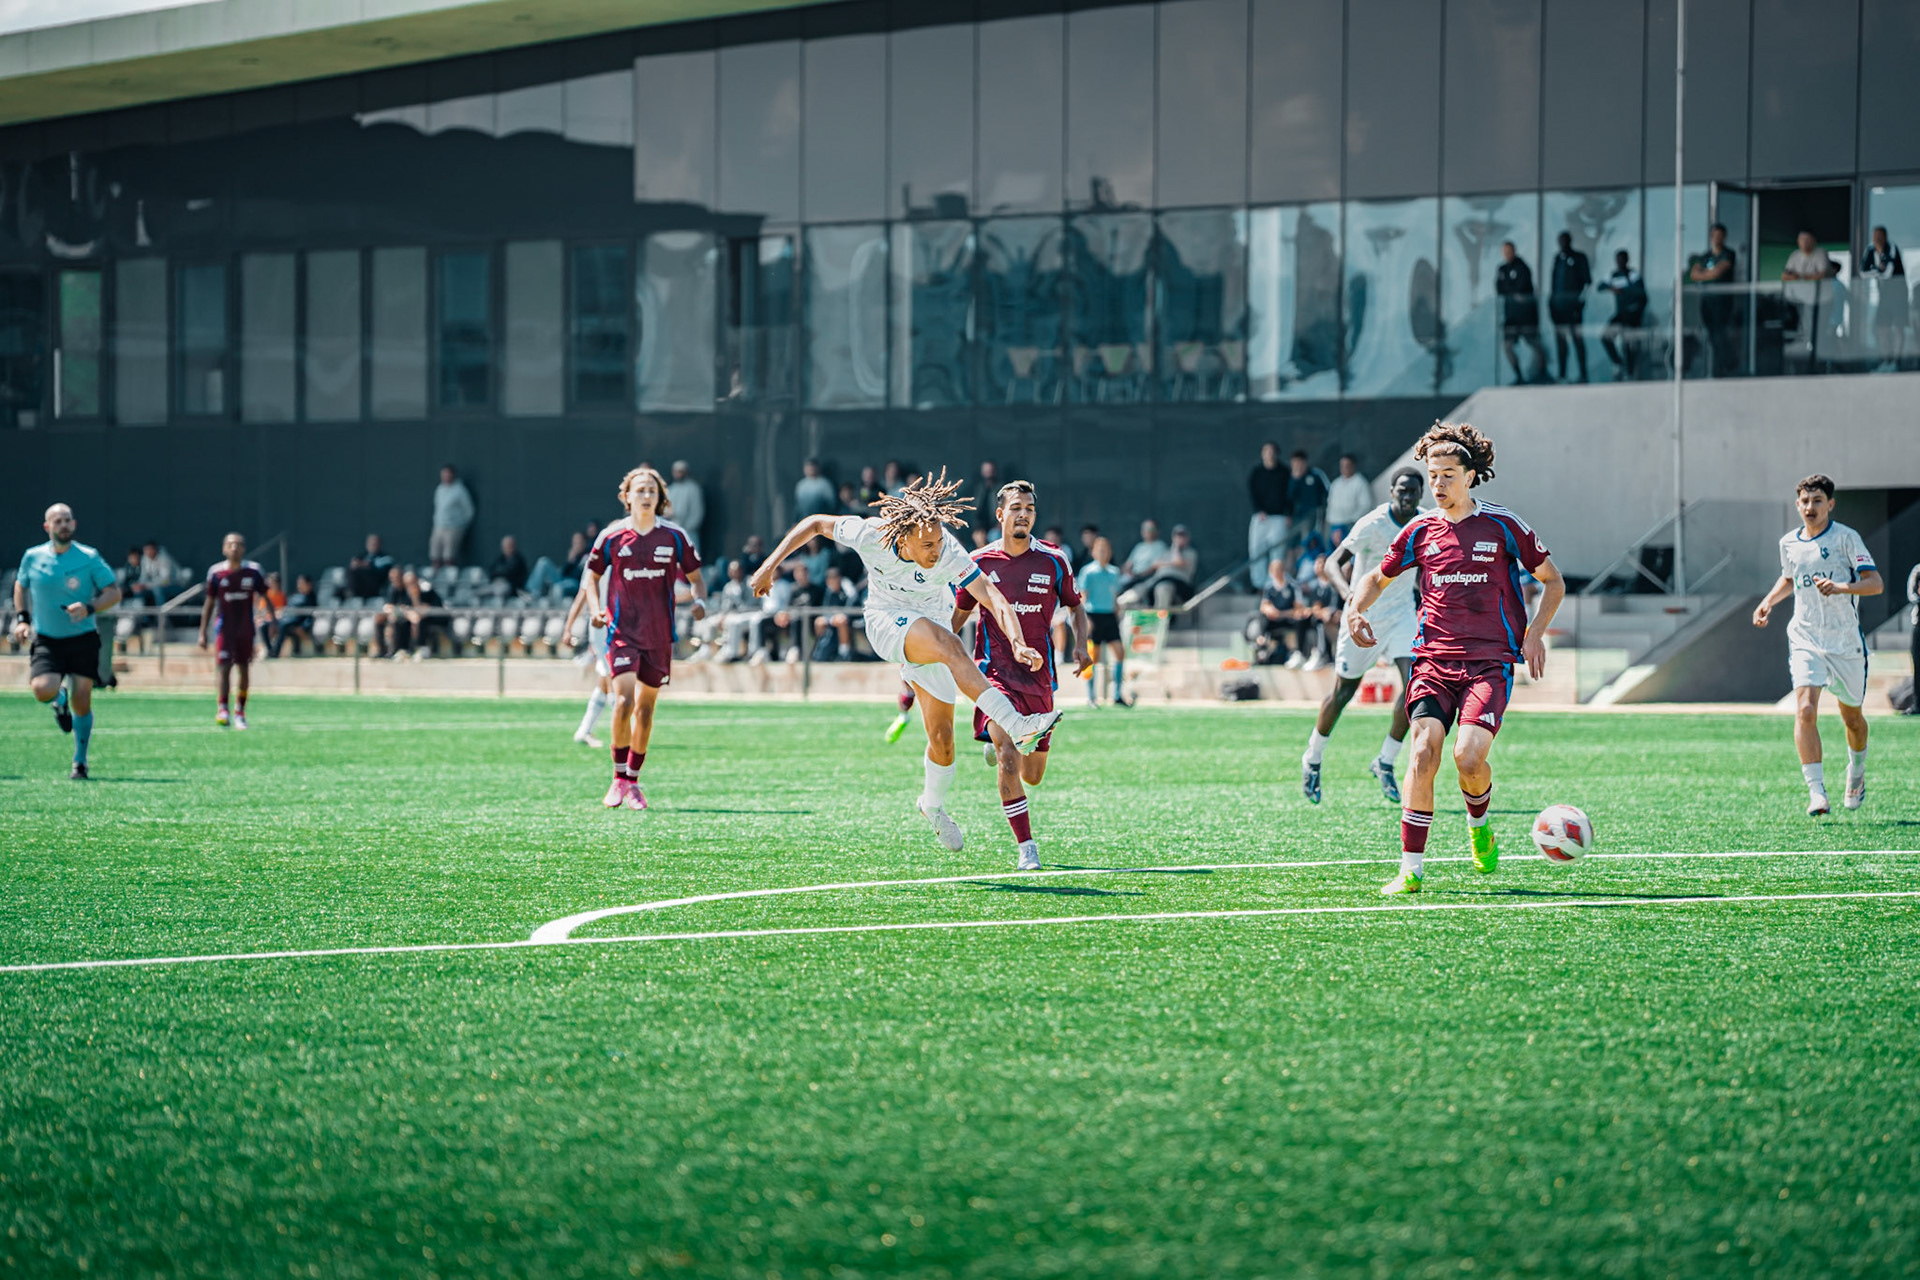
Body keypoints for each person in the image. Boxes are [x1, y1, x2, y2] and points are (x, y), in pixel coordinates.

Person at [753, 470, 1065, 853]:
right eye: (928, 545)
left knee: (943, 741)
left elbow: (992, 596)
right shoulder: (872, 534)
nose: (936, 551)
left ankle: (931, 807)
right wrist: (770, 565)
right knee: (952, 647)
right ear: (903, 538)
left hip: (930, 629)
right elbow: (816, 523)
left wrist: (1017, 642)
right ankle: (1017, 725)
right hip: (886, 621)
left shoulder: (948, 549)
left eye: (938, 541)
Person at [1344, 421, 1565, 896]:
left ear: (1469, 476)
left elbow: (1553, 580)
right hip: (1433, 662)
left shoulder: (1505, 525)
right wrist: (1354, 610)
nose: (1438, 485)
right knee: (1423, 753)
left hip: (1488, 663)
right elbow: (1376, 578)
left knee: (1468, 757)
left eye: (1447, 475)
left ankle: (1479, 822)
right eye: (1433, 476)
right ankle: (1410, 870)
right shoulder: (1419, 530)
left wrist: (1535, 633)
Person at [952, 481, 1089, 870]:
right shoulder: (978, 562)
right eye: (1015, 507)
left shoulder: (1054, 561)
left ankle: (1008, 744)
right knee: (1008, 756)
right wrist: (938, 651)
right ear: (1000, 515)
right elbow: (959, 614)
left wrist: (1081, 646)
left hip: (1039, 680)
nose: (1023, 514)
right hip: (992, 674)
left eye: (1029, 508)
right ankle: (1026, 847)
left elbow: (1075, 607)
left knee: (1033, 775)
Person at [1751, 474, 1882, 815]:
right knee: (1806, 709)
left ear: (1830, 504)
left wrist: (1841, 587)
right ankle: (1817, 793)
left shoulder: (1846, 539)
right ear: (1798, 505)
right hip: (1806, 637)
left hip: (1845, 642)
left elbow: (1875, 583)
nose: (1810, 507)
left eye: (1818, 501)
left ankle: (1856, 771)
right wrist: (1769, 600)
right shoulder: (1789, 544)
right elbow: (1790, 578)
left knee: (1852, 718)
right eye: (1805, 502)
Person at [585, 466, 707, 810]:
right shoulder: (610, 537)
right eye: (639, 489)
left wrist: (698, 601)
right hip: (622, 633)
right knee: (622, 701)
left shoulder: (675, 537)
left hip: (658, 635)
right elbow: (590, 577)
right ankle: (617, 776)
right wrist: (595, 609)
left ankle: (634, 782)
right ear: (626, 497)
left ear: (660, 497)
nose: (646, 495)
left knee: (646, 709)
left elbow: (697, 578)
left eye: (652, 490)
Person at [1301, 467, 1425, 805]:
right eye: (1402, 490)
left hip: (1401, 615)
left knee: (1416, 687)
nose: (1407, 496)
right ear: (1391, 491)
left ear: (1420, 494)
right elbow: (1332, 562)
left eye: (1414, 491)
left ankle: (1385, 761)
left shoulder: (1425, 523)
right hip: (1364, 615)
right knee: (1343, 694)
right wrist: (1350, 598)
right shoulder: (1372, 524)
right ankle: (1312, 758)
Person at [12, 504, 120, 779]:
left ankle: (80, 761)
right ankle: (58, 699)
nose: (63, 524)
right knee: (41, 690)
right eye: (57, 521)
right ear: (47, 527)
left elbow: (113, 592)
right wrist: (23, 619)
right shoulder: (32, 557)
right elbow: (20, 585)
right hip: (47, 638)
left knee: (82, 700)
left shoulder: (89, 557)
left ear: (74, 525)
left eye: (67, 520)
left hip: (82, 638)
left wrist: (90, 607)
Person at [197, 533, 274, 727]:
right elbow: (209, 602)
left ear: (244, 549)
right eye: (230, 544)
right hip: (224, 628)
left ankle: (240, 711)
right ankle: (223, 709)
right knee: (224, 668)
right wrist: (202, 631)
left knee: (244, 668)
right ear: (224, 549)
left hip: (245, 628)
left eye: (238, 544)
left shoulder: (254, 571)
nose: (234, 548)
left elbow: (265, 596)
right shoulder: (215, 573)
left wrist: (272, 620)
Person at [1078, 536, 1128, 707]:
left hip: (1109, 616)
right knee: (1094, 657)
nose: (1102, 553)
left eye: (1105, 550)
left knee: (1120, 652)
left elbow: (1115, 596)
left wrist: (1117, 612)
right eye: (1099, 550)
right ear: (1093, 552)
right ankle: (1091, 696)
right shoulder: (1088, 571)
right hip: (1094, 616)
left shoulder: (1114, 572)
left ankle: (1117, 694)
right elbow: (1083, 597)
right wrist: (1085, 620)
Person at [1689, 223, 1738, 376]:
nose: (1716, 238)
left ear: (1724, 237)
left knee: (1720, 333)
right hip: (1707, 301)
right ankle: (1722, 364)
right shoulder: (1705, 256)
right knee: (1711, 334)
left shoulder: (1728, 254)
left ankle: (1725, 365)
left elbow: (1719, 272)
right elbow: (1694, 275)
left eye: (1719, 235)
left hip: (1722, 301)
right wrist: (1708, 273)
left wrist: (1705, 274)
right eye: (1714, 235)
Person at [1497, 241, 1547, 383]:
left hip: (1526, 317)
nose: (1507, 254)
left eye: (1509, 251)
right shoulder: (1501, 269)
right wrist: (1512, 292)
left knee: (1534, 343)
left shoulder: (1522, 267)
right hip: (1511, 317)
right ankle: (1518, 375)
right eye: (1504, 251)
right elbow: (1500, 290)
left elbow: (1522, 288)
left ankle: (1542, 371)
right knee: (1507, 346)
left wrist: (1511, 290)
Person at [1859, 226, 1907, 367]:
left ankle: (1897, 361)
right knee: (1882, 328)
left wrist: (1875, 271)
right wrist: (1877, 270)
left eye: (1879, 236)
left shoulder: (1891, 248)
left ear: (1885, 237)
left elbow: (1888, 273)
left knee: (1898, 327)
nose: (1877, 239)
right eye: (1874, 236)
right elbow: (1862, 273)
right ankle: (1885, 360)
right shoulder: (1870, 250)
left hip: (1899, 296)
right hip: (1883, 297)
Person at [1548, 231, 1592, 383]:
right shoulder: (1557, 259)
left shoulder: (1579, 258)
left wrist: (1580, 303)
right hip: (1559, 309)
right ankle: (1562, 374)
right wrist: (1552, 305)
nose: (1562, 244)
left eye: (1564, 240)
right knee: (1561, 342)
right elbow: (1553, 285)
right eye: (1560, 241)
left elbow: (1587, 283)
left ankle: (1583, 374)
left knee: (1577, 341)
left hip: (1574, 309)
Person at [1598, 250, 1649, 380]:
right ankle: (1618, 362)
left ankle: (1630, 372)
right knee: (1605, 336)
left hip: (1632, 314)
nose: (1620, 262)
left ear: (1627, 260)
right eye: (1618, 260)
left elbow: (1641, 293)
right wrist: (1612, 288)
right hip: (1621, 314)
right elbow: (1600, 286)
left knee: (1628, 344)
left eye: (1622, 259)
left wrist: (1624, 290)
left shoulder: (1633, 275)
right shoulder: (1614, 275)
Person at [1247, 442, 1291, 587]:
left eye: (1272, 451)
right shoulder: (1256, 472)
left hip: (1279, 517)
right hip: (1261, 518)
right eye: (1266, 451)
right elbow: (1252, 493)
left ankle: (1273, 583)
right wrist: (1259, 510)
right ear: (1262, 454)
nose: (1269, 454)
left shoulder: (1284, 472)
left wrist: (1288, 514)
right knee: (1256, 551)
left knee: (1277, 551)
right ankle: (1259, 584)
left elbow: (1289, 495)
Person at [383, 569, 444, 659]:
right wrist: (407, 613)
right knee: (397, 620)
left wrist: (415, 597)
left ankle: (420, 648)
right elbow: (397, 607)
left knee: (417, 619)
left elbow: (425, 610)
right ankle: (400, 650)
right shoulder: (402, 591)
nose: (410, 586)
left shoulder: (426, 590)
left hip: (435, 618)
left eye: (412, 583)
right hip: (411, 617)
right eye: (408, 584)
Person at [430, 464, 474, 569]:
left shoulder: (460, 490)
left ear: (453, 475)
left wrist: (461, 525)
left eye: (448, 474)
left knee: (448, 557)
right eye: (444, 474)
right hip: (439, 526)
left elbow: (468, 510)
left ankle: (448, 580)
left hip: (453, 528)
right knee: (435, 556)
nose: (446, 476)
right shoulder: (439, 489)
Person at [1286, 450, 1331, 552]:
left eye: (1299, 462)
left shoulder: (1316, 474)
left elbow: (1328, 491)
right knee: (1293, 544)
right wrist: (1295, 480)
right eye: (1295, 463)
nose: (1297, 466)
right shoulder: (1291, 478)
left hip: (1315, 514)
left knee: (1312, 540)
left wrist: (1324, 513)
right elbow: (1289, 498)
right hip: (1298, 516)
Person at [812, 565, 858, 661]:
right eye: (830, 579)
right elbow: (826, 607)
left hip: (850, 616)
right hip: (833, 617)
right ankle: (820, 648)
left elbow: (853, 600)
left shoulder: (846, 585)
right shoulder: (829, 590)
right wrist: (829, 618)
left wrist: (844, 615)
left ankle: (844, 653)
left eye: (834, 579)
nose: (832, 582)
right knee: (819, 622)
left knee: (841, 621)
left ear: (839, 578)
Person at [1325, 454, 1373, 545]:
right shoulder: (1336, 483)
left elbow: (1366, 505)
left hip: (1350, 525)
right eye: (1342, 465)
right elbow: (1330, 503)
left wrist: (1353, 520)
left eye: (1347, 465)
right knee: (1333, 554)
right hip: (1334, 525)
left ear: (1353, 466)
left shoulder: (1360, 482)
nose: (1345, 468)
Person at [274, 573, 317, 657]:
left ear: (309, 585)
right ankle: (270, 650)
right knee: (266, 626)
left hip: (298, 624)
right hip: (288, 621)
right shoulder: (295, 597)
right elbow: (287, 609)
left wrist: (303, 627)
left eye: (302, 583)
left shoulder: (311, 598)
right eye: (299, 583)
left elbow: (311, 615)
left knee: (284, 626)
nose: (300, 586)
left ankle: (275, 653)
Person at [666, 461, 705, 552]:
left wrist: (689, 527)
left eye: (681, 471)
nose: (678, 474)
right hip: (673, 531)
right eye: (676, 471)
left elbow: (697, 511)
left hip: (689, 532)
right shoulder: (671, 489)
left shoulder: (693, 488)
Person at [347, 535, 394, 600]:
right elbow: (354, 564)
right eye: (370, 543)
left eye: (375, 544)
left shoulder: (385, 558)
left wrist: (365, 565)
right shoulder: (362, 556)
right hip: (360, 586)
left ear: (380, 544)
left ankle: (351, 593)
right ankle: (350, 593)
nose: (372, 545)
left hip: (376, 585)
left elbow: (380, 570)